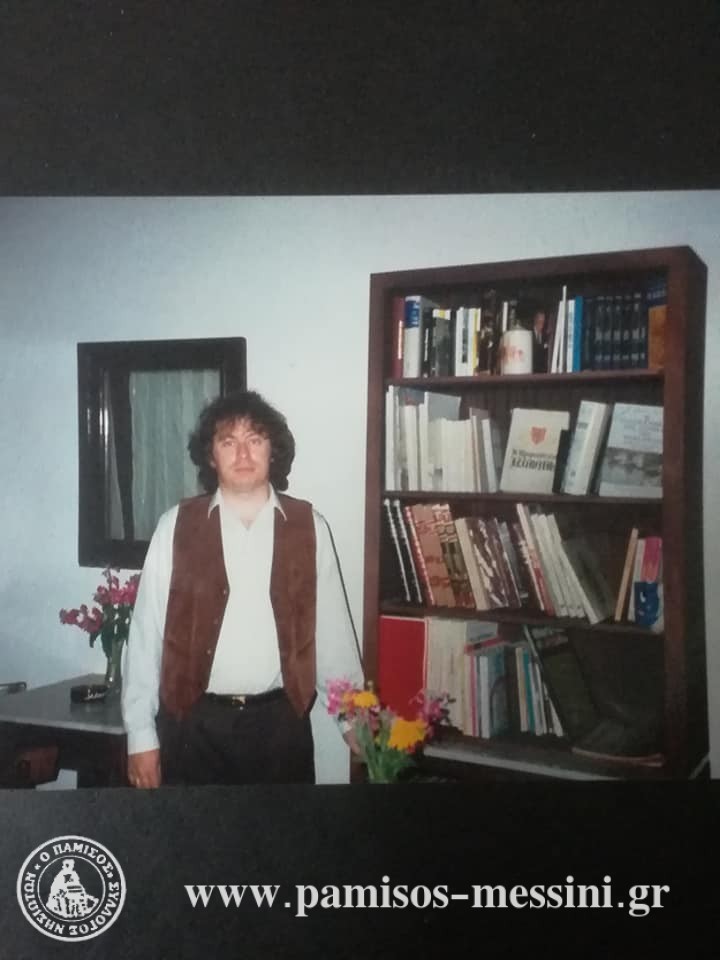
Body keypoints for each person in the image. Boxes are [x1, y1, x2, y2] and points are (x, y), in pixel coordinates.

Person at [121, 390, 364, 787]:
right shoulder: (175, 526)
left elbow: (333, 638)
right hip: (192, 729)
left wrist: (354, 723)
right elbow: (146, 637)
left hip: (280, 731)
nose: (243, 454)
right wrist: (140, 735)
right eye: (228, 442)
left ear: (273, 450)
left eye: (255, 439)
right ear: (211, 455)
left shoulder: (309, 527)